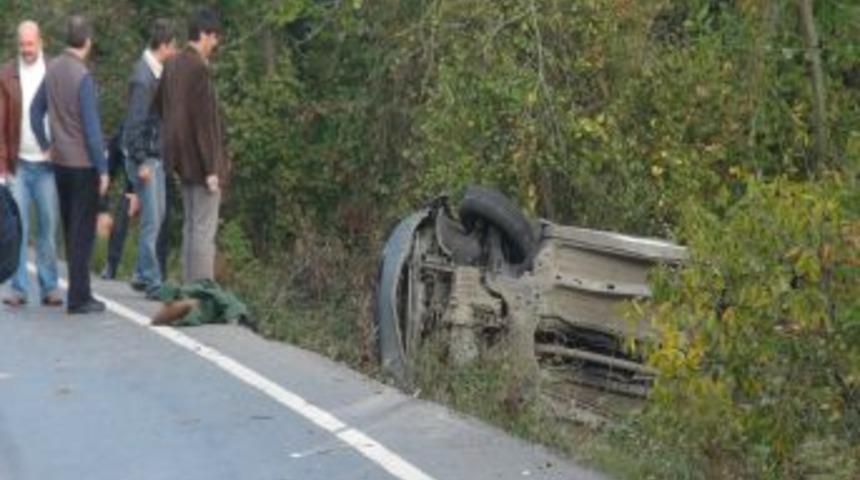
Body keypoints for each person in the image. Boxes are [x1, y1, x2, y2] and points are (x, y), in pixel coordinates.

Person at [31, 15, 110, 315]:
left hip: (60, 162)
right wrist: (102, 169)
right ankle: (79, 296)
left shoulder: (51, 69)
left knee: (69, 228)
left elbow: (35, 111)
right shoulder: (82, 76)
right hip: (82, 163)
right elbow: (91, 129)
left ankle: (77, 290)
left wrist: (45, 144)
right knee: (82, 233)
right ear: (87, 41)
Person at [157, 7, 229, 283]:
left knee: (190, 226)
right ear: (203, 35)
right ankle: (201, 292)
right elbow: (204, 122)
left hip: (179, 160)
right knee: (203, 230)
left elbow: (160, 106)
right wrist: (212, 168)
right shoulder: (199, 68)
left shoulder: (172, 64)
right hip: (200, 163)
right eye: (213, 37)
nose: (215, 43)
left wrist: (174, 147)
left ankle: (188, 288)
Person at [0, 21, 62, 308]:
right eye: (22, 44)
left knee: (48, 227)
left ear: (41, 42)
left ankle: (49, 285)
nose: (26, 50)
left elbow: (65, 115)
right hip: (19, 163)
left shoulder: (54, 71)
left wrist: (60, 149)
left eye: (30, 44)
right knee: (18, 228)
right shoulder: (6, 74)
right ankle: (19, 288)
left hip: (48, 165)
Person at [122, 19, 177, 298]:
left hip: (155, 156)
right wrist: (141, 160)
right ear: (164, 45)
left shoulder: (154, 73)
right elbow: (135, 123)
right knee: (151, 221)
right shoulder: (143, 78)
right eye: (173, 45)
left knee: (158, 215)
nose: (175, 50)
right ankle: (153, 281)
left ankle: (143, 274)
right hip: (146, 158)